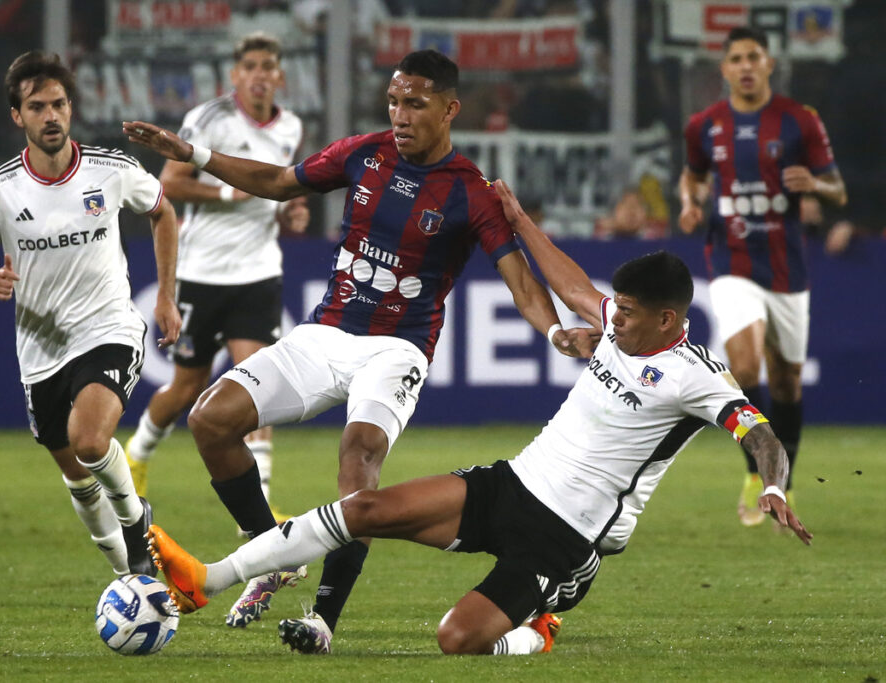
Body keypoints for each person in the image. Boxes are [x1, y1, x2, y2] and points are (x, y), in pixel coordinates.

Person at [145, 182, 811, 656]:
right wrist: (517, 217)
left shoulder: (699, 375)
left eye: (629, 312)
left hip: (561, 536)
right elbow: (576, 286)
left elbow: (760, 432)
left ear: (667, 319)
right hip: (512, 485)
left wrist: (773, 482)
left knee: (455, 639)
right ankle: (207, 577)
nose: (613, 316)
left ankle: (535, 628)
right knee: (369, 506)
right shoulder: (621, 323)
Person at [122, 48, 596, 653]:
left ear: (450, 109)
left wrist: (557, 334)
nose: (400, 114)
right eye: (394, 101)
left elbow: (520, 281)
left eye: (415, 103)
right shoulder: (362, 153)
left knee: (359, 457)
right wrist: (193, 154)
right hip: (325, 335)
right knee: (210, 419)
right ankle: (269, 548)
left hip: (397, 350)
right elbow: (275, 182)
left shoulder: (470, 192)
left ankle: (323, 621)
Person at [0, 51, 181, 577]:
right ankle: (128, 575)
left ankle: (135, 523)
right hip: (40, 349)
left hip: (108, 327)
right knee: (77, 474)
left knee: (91, 441)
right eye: (37, 107)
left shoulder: (112, 170)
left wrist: (166, 294)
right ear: (18, 116)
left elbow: (163, 211)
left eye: (58, 104)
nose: (50, 116)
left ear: (71, 108)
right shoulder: (0, 191)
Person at [124, 33, 310, 538]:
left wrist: (292, 210)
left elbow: (284, 193)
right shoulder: (209, 120)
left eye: (268, 66)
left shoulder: (291, 127)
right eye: (249, 65)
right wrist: (229, 189)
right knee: (187, 385)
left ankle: (262, 509)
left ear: (279, 76)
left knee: (257, 388)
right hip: (202, 272)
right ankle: (137, 455)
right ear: (234, 75)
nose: (258, 74)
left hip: (257, 274)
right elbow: (170, 183)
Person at [677, 26, 846, 527]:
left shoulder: (800, 122)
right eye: (737, 58)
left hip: (787, 268)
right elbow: (692, 174)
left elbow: (837, 188)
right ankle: (756, 473)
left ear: (769, 64)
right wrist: (690, 202)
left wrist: (814, 183)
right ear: (724, 68)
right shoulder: (704, 125)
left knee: (789, 382)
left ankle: (782, 482)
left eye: (755, 56)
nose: (746, 66)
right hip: (731, 262)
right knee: (746, 368)